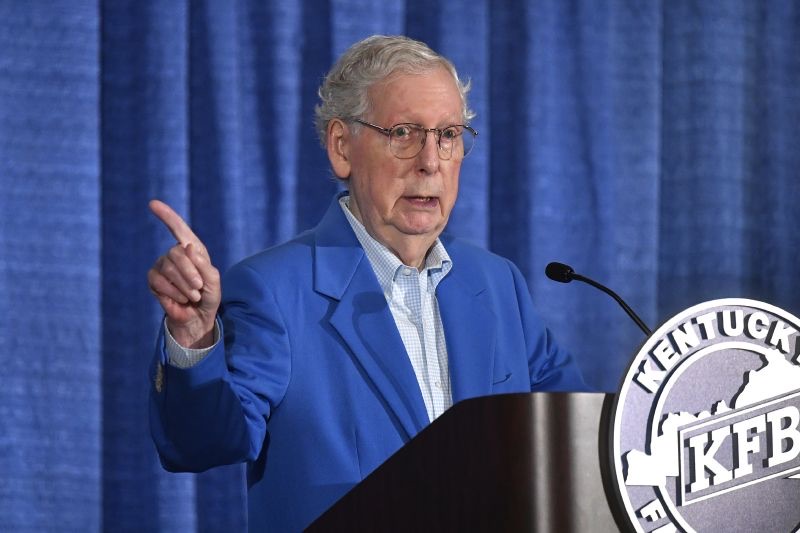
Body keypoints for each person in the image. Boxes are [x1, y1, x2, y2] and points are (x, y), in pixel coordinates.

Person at [147, 34, 586, 532]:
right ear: (341, 148)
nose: (431, 160)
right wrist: (194, 339)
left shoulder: (497, 284)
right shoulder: (275, 290)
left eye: (448, 135)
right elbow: (201, 443)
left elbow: (577, 436)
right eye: (404, 132)